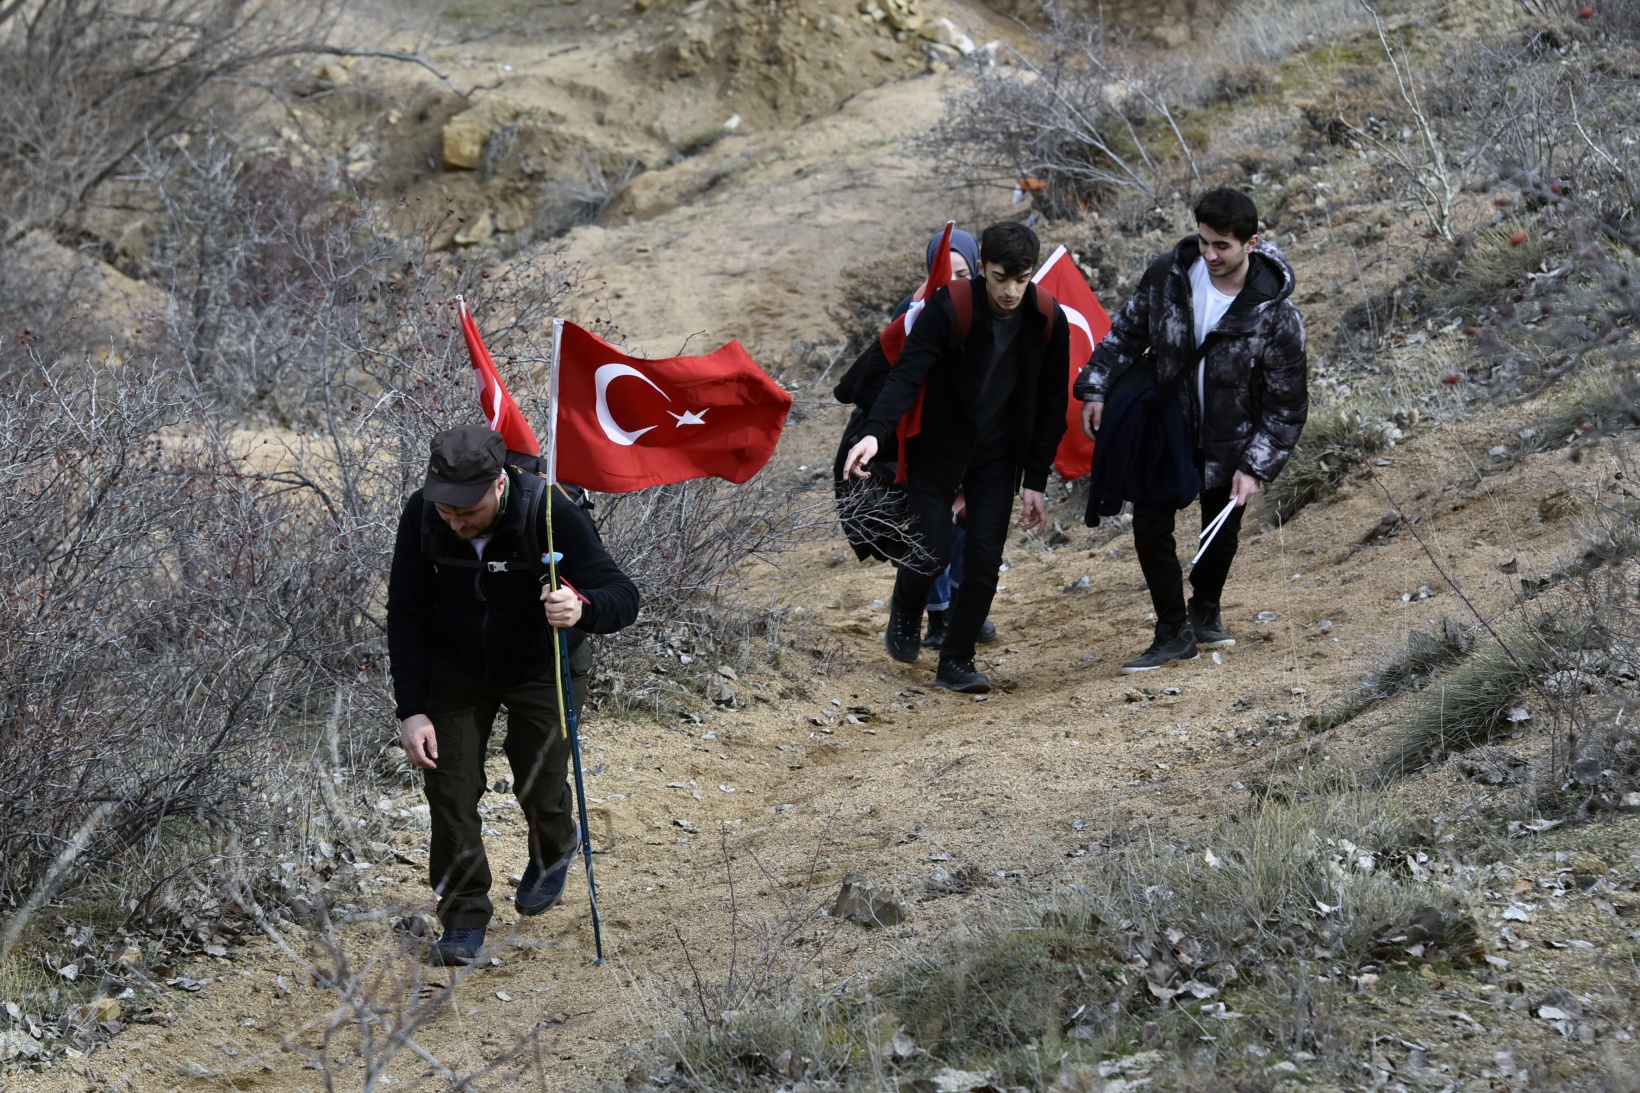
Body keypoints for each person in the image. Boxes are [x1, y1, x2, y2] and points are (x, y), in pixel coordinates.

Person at [387, 424, 640, 966]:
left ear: (500, 485)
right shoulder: (423, 517)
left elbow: (624, 597)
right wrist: (412, 709)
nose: (453, 521)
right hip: (456, 668)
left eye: (466, 511)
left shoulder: (548, 511)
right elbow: (406, 615)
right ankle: (462, 919)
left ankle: (555, 848)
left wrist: (582, 608)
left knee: (539, 778)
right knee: (450, 791)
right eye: (445, 510)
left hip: (541, 665)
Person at [1074, 187, 1308, 674]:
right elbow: (1126, 333)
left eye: (1222, 245)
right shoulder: (1169, 275)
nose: (1210, 254)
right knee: (1149, 525)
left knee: (1220, 531)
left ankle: (1205, 609)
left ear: (1251, 243)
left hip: (1234, 437)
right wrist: (1095, 388)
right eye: (1204, 241)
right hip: (1166, 429)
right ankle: (1171, 630)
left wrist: (1257, 465)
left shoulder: (1275, 313)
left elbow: (1286, 402)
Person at [843, 221, 1070, 694]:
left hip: (996, 454)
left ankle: (957, 661)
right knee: (934, 549)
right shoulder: (952, 306)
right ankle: (907, 606)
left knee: (986, 560)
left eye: (1021, 279)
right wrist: (873, 436)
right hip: (938, 449)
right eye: (1000, 277)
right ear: (983, 267)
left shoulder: (1048, 318)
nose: (1010, 291)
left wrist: (1036, 480)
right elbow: (906, 376)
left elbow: (1052, 405)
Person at [890, 228, 998, 652]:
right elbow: (897, 377)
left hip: (977, 441)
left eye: (963, 271)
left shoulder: (990, 310)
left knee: (973, 528)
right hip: (924, 442)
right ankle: (934, 616)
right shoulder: (911, 311)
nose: (953, 280)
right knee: (930, 531)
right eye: (944, 271)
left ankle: (968, 607)